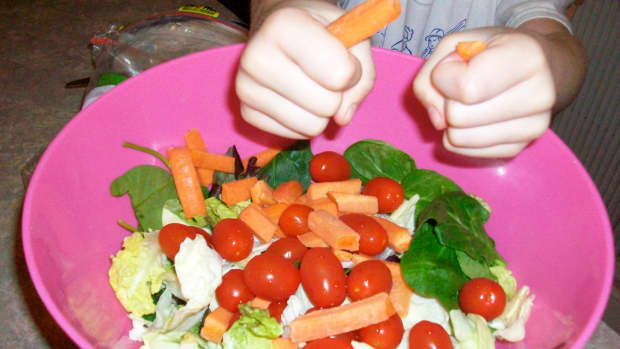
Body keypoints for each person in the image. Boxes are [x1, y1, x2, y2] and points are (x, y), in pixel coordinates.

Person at [235, 0, 586, 158]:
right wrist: (279, 12)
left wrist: (544, 63)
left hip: (458, 162)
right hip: (334, 134)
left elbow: (559, 44)